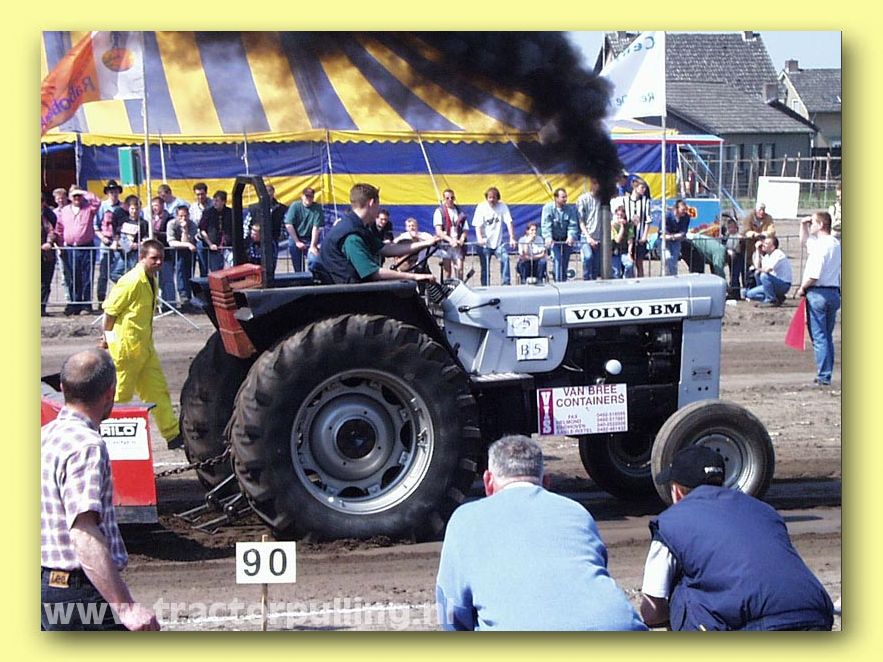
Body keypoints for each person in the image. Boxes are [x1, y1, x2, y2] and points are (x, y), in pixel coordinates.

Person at [436, 435, 646, 631]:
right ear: (546, 482)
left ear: (488, 482)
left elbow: (451, 613)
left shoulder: (465, 519)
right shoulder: (576, 511)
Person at [640, 446, 834, 631]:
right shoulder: (764, 510)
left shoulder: (670, 522)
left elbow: (651, 610)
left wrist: (671, 615)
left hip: (753, 627)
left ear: (677, 492)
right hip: (815, 615)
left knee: (682, 593)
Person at [41, 349, 161, 631]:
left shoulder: (44, 436)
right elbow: (83, 532)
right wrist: (126, 607)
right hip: (77, 592)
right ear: (110, 393)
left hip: (45, 586)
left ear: (62, 388)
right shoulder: (87, 447)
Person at [99, 239, 183, 450]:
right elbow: (110, 312)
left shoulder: (151, 279)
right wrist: (107, 339)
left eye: (161, 258)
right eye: (154, 258)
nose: (158, 262)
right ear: (142, 257)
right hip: (126, 350)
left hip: (144, 348)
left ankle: (173, 435)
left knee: (158, 391)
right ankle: (106, 439)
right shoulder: (132, 281)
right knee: (120, 396)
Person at [313, 183, 438, 285]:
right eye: (378, 204)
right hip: (348, 295)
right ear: (372, 203)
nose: (378, 210)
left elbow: (386, 249)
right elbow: (373, 272)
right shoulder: (351, 236)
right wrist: (414, 276)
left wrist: (426, 243)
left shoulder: (357, 227)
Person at [796, 211, 841, 386]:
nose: (811, 224)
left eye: (813, 222)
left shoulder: (821, 246)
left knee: (819, 337)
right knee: (827, 336)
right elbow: (804, 242)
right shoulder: (834, 243)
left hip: (818, 292)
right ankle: (826, 372)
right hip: (833, 292)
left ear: (821, 225)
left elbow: (814, 274)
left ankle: (824, 375)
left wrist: (802, 288)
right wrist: (803, 224)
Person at [56, 187, 100, 315]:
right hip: (70, 248)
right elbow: (59, 228)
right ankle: (75, 303)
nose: (77, 198)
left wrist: (83, 192)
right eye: (74, 196)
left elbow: (97, 202)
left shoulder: (88, 209)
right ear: (70, 197)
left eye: (78, 196)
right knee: (73, 277)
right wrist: (60, 245)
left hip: (86, 247)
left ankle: (86, 305)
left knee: (87, 277)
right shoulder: (64, 211)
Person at [472, 187, 517, 286]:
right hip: (484, 243)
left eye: (494, 197)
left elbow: (509, 222)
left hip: (498, 243)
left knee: (505, 258)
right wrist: (479, 238)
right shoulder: (481, 207)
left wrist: (512, 237)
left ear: (498, 198)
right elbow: (477, 225)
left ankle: (506, 284)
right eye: (490, 197)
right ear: (486, 198)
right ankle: (486, 286)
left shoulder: (502, 206)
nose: (492, 200)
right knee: (485, 267)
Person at [95, 180, 127, 306]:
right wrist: (102, 237)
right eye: (111, 191)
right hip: (106, 242)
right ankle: (101, 299)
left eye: (115, 191)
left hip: (120, 242)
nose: (113, 194)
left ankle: (122, 295)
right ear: (107, 193)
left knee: (119, 272)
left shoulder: (123, 207)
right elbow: (96, 225)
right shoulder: (102, 206)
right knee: (103, 273)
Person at [540, 188, 578, 282]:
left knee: (564, 263)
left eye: (566, 197)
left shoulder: (570, 210)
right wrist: (548, 237)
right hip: (554, 240)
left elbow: (573, 225)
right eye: (563, 197)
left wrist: (571, 236)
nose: (565, 199)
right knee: (557, 260)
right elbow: (546, 225)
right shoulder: (547, 208)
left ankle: (563, 281)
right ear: (556, 198)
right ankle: (558, 282)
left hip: (566, 241)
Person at [744, 235, 792, 306]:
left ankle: (771, 299)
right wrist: (757, 250)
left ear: (772, 247)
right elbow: (757, 266)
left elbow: (768, 270)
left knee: (764, 275)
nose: (763, 244)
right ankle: (777, 298)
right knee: (749, 294)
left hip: (783, 284)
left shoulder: (778, 253)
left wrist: (757, 269)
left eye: (766, 243)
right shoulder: (766, 257)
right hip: (772, 283)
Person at [283, 186, 323, 271]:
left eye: (311, 196)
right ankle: (298, 274)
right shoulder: (295, 206)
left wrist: (313, 246)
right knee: (296, 262)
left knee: (314, 260)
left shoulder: (317, 208)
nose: (308, 198)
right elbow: (289, 224)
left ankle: (312, 275)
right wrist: (297, 241)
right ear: (302, 196)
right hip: (295, 237)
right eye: (306, 196)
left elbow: (316, 228)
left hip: (310, 238)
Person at [433, 189, 469, 280]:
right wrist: (450, 240)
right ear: (444, 199)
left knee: (460, 270)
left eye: (452, 198)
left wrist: (461, 239)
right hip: (446, 245)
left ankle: (460, 286)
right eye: (447, 198)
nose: (450, 200)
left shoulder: (460, 211)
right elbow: (439, 231)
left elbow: (465, 229)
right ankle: (447, 287)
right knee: (447, 272)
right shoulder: (439, 211)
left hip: (458, 245)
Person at [148, 196, 176, 310]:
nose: (154, 208)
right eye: (153, 206)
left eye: (156, 205)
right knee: (155, 281)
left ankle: (170, 304)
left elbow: (170, 234)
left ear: (162, 205)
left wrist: (157, 234)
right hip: (153, 254)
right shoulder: (150, 218)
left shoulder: (169, 218)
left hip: (166, 254)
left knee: (167, 280)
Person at [114, 195, 150, 280]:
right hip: (123, 252)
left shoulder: (144, 223)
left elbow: (146, 237)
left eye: (137, 209)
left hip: (136, 253)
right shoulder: (123, 221)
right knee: (114, 274)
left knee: (133, 273)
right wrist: (116, 242)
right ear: (128, 209)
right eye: (132, 209)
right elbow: (118, 234)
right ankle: (126, 284)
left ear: (140, 209)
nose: (134, 211)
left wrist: (139, 244)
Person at [197, 190, 233, 273]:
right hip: (214, 249)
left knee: (229, 271)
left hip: (228, 248)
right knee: (216, 272)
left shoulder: (230, 213)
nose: (215, 203)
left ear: (223, 202)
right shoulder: (208, 213)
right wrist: (210, 244)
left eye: (217, 201)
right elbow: (202, 230)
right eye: (214, 200)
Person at [623, 180, 651, 278]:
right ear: (635, 187)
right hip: (628, 236)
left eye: (645, 188)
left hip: (640, 236)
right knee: (629, 262)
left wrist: (644, 236)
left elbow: (648, 220)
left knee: (639, 263)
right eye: (642, 187)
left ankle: (640, 282)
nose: (644, 190)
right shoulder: (625, 200)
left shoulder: (645, 201)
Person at [576, 180, 602, 280]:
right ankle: (585, 280)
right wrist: (588, 237)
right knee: (588, 257)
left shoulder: (603, 199)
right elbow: (581, 221)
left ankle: (594, 282)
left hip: (599, 237)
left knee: (596, 265)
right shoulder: (583, 199)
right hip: (586, 236)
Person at [661, 199, 691, 276]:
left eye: (685, 209)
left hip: (676, 241)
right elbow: (663, 233)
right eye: (682, 210)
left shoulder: (686, 217)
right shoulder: (667, 216)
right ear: (676, 209)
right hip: (664, 241)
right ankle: (665, 277)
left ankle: (673, 278)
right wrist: (672, 236)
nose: (684, 211)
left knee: (674, 262)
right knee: (667, 258)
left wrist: (672, 236)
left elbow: (683, 233)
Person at [41, 191, 59, 316]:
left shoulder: (49, 214)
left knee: (45, 282)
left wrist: (49, 242)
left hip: (47, 255)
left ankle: (41, 307)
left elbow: (52, 230)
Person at [190, 182, 211, 275]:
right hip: (199, 240)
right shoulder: (192, 208)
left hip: (212, 239)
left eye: (202, 194)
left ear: (206, 193)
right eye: (198, 194)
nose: (200, 197)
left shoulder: (213, 204)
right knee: (203, 267)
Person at [610, 205, 636, 278]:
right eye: (618, 215)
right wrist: (622, 227)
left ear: (624, 215)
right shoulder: (612, 225)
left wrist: (629, 253)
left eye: (621, 215)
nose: (619, 217)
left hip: (624, 251)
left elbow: (630, 241)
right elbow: (617, 240)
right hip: (614, 252)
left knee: (630, 264)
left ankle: (626, 278)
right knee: (616, 272)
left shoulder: (629, 225)